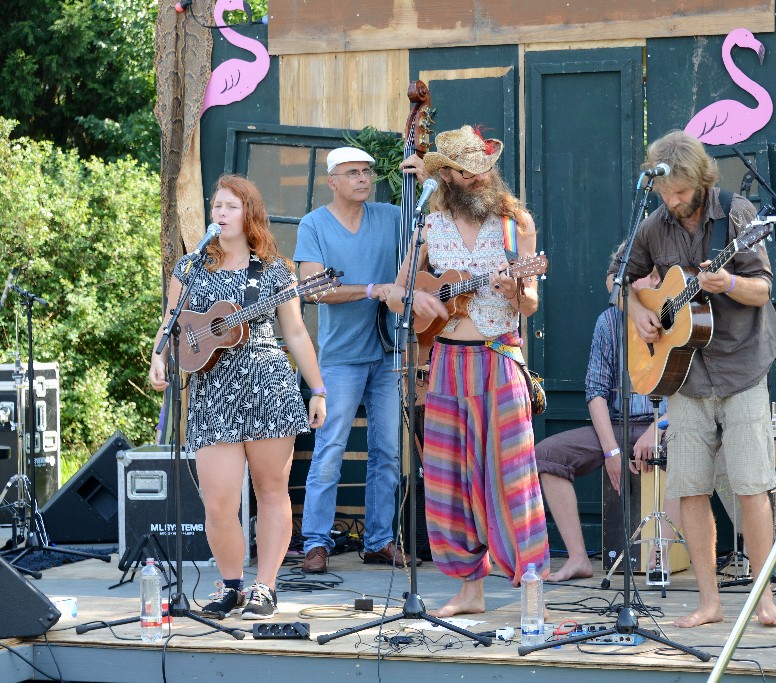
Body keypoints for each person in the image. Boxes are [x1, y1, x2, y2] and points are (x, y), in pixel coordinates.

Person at [613, 130, 776, 628]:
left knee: (753, 486)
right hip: (684, 376)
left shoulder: (738, 215)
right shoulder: (653, 225)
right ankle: (708, 602)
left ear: (700, 179)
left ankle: (765, 599)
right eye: (666, 193)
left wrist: (727, 281)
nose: (674, 201)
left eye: (682, 192)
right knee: (689, 489)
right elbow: (618, 275)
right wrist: (639, 308)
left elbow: (761, 291)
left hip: (741, 367)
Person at [149, 174, 326, 620]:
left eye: (230, 206)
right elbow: (171, 321)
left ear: (249, 214)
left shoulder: (275, 270)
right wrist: (159, 356)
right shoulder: (191, 269)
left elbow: (297, 333)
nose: (221, 214)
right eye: (217, 206)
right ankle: (231, 585)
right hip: (213, 390)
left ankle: (265, 586)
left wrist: (318, 389)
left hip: (269, 384)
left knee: (271, 491)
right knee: (219, 501)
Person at [388, 125, 550, 617]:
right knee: (446, 478)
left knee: (513, 477)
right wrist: (416, 297)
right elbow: (399, 293)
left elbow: (531, 302)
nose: (477, 178)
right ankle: (468, 590)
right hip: (445, 363)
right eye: (465, 171)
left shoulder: (514, 222)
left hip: (497, 359)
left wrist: (512, 290)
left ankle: (531, 589)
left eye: (482, 169)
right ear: (448, 176)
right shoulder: (428, 226)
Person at [294, 147, 413, 574]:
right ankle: (315, 542)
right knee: (330, 450)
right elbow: (311, 288)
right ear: (333, 180)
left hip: (387, 350)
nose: (363, 179)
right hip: (341, 358)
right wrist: (372, 289)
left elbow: (425, 239)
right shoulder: (314, 225)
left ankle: (380, 540)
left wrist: (424, 172)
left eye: (367, 172)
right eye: (353, 173)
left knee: (387, 452)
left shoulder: (391, 216)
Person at [536, 266, 674, 582]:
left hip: (668, 425)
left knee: (697, 451)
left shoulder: (676, 318)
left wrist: (658, 427)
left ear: (656, 280)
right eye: (619, 279)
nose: (621, 285)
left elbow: (692, 390)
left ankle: (660, 559)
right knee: (547, 454)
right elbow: (595, 391)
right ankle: (578, 558)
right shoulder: (609, 321)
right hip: (617, 425)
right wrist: (612, 451)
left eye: (634, 275)